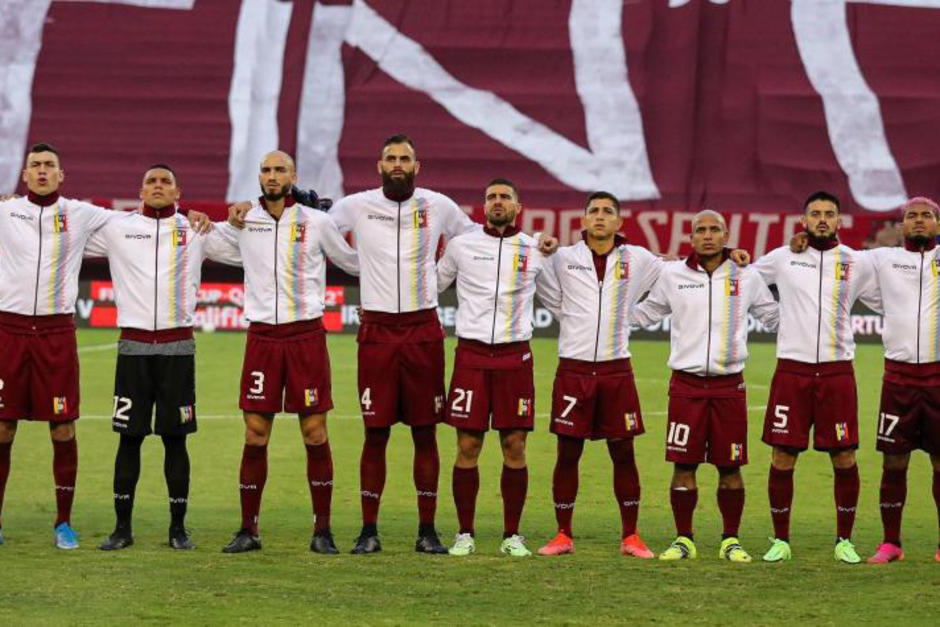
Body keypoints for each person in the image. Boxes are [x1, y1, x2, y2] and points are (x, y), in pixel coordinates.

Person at [327, 135, 556, 554]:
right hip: (377, 330)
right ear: (379, 165)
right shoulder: (357, 204)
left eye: (405, 158)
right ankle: (368, 530)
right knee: (374, 433)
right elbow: (320, 229)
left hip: (423, 331)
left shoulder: (439, 205)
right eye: (391, 158)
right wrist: (362, 271)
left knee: (425, 432)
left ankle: (428, 530)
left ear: (418, 166)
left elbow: (479, 242)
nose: (398, 164)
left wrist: (536, 242)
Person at [0, 143, 210, 550]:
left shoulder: (83, 214)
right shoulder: (6, 212)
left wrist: (193, 213)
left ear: (61, 175)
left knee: (63, 427)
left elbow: (148, 217)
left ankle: (63, 523)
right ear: (24, 175)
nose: (42, 171)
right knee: (3, 428)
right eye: (35, 165)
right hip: (9, 329)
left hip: (57, 332)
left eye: (49, 166)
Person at [83, 165, 235, 551]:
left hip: (177, 349)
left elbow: (240, 244)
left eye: (165, 182)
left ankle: (178, 529)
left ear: (178, 192)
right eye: (151, 181)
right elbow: (64, 237)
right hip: (132, 349)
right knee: (128, 439)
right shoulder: (118, 227)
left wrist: (243, 212)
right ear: (140, 191)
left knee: (175, 441)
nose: (157, 186)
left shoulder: (195, 229)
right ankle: (122, 529)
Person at [217, 151, 359, 554]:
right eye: (266, 170)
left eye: (280, 170)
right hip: (262, 338)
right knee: (255, 432)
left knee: (314, 432)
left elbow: (351, 262)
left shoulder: (317, 222)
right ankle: (248, 529)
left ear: (292, 175)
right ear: (259, 176)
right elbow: (205, 238)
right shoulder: (245, 222)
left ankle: (323, 531)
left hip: (305, 337)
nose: (272, 175)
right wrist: (197, 217)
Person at [630, 210, 779, 562]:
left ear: (726, 235)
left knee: (731, 467)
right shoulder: (673, 275)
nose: (708, 235)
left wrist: (811, 312)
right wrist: (605, 316)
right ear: (691, 237)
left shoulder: (746, 275)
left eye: (715, 230)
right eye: (701, 230)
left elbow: (772, 316)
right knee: (684, 465)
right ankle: (684, 539)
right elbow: (646, 313)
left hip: (730, 386)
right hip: (686, 385)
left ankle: (731, 540)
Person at [799, 197, 940, 564]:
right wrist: (802, 241)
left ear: (938, 225)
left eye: (927, 216)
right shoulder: (880, 259)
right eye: (912, 216)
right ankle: (891, 543)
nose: (919, 221)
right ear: (901, 225)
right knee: (894, 463)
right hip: (898, 379)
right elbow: (832, 255)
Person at [752, 191, 879, 564]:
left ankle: (844, 541)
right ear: (803, 220)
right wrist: (774, 318)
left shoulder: (856, 262)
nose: (822, 219)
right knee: (782, 456)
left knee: (844, 456)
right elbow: (745, 278)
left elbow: (887, 297)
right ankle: (780, 540)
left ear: (839, 220)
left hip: (838, 372)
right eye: (815, 213)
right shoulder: (782, 257)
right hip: (792, 370)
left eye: (829, 213)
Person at [534, 191, 660, 558]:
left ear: (619, 222)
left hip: (616, 369)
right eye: (594, 211)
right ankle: (563, 534)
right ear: (584, 220)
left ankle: (631, 536)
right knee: (567, 452)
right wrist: (572, 318)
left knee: (623, 452)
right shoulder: (563, 258)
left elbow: (675, 276)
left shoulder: (638, 258)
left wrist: (635, 317)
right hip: (573, 369)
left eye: (608, 211)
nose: (600, 216)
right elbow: (545, 288)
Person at [436, 178, 549, 557]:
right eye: (491, 197)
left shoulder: (534, 249)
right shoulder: (462, 246)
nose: (497, 202)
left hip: (515, 358)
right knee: (468, 444)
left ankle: (512, 535)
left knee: (514, 445)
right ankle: (464, 533)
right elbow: (432, 285)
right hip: (471, 356)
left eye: (504, 197)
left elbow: (562, 294)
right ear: (483, 206)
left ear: (518, 206)